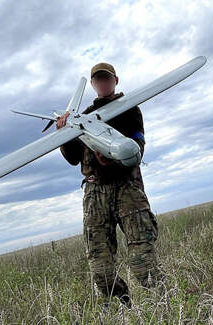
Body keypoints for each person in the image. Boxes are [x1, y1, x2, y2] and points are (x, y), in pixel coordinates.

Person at [57, 62, 162, 306]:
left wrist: (110, 161)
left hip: (128, 189)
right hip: (95, 194)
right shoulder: (82, 118)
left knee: (143, 266)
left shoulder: (129, 108)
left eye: (107, 79)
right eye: (98, 80)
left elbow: (137, 149)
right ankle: (126, 305)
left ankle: (165, 308)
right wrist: (63, 134)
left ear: (116, 80)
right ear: (93, 85)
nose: (103, 83)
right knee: (101, 272)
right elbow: (73, 158)